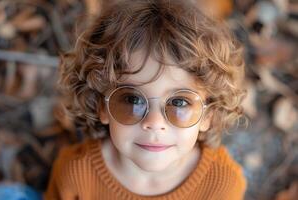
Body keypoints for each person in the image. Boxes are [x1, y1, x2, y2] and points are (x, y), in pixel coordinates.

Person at [45, 0, 247, 199]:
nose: (154, 123)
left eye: (179, 102)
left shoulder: (223, 184)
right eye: (132, 100)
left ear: (208, 114)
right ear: (101, 105)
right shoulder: (75, 173)